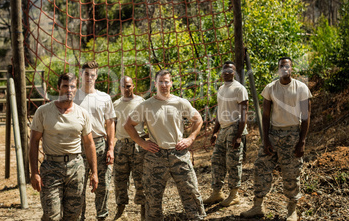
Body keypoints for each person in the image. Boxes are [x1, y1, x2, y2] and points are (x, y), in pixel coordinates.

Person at [124, 70, 206, 221]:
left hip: (179, 154)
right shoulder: (146, 105)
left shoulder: (180, 103)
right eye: (160, 81)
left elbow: (198, 120)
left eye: (166, 81)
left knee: (191, 193)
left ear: (171, 83)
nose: (163, 85)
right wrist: (142, 143)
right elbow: (128, 125)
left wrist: (190, 139)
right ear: (155, 84)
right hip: (156, 156)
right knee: (152, 199)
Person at [241, 57, 312, 221]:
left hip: (292, 135)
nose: (284, 68)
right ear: (278, 68)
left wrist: (301, 142)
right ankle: (258, 206)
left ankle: (291, 211)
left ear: (291, 68)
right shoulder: (270, 88)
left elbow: (306, 118)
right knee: (260, 167)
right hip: (273, 134)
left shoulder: (301, 88)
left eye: (287, 66)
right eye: (281, 66)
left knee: (291, 173)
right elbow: (265, 116)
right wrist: (265, 140)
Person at [29, 72, 98, 221]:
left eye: (72, 86)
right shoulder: (43, 111)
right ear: (58, 88)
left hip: (76, 168)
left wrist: (94, 172)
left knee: (73, 215)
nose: (69, 90)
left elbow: (89, 143)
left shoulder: (82, 114)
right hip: (51, 167)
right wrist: (34, 172)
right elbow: (34, 141)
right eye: (65, 86)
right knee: (51, 215)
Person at [74, 61, 116, 221]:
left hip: (99, 144)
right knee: (78, 187)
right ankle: (80, 217)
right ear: (81, 75)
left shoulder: (104, 98)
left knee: (103, 186)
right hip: (78, 146)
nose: (89, 77)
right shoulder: (73, 97)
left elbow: (110, 123)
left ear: (96, 76)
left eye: (92, 75)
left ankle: (102, 217)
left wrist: (110, 148)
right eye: (86, 74)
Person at [203, 61, 249, 207]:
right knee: (217, 161)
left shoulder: (239, 89)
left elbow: (244, 113)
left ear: (234, 72)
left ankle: (234, 195)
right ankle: (217, 193)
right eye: (224, 70)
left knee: (233, 162)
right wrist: (215, 132)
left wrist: (239, 135)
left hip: (235, 128)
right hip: (223, 129)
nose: (226, 72)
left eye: (230, 70)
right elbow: (220, 111)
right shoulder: (221, 88)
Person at [113, 76, 147, 220]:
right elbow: (112, 125)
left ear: (133, 86)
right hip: (121, 145)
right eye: (123, 86)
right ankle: (121, 210)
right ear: (119, 88)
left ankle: (144, 210)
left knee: (141, 179)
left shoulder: (141, 102)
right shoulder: (115, 104)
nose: (126, 89)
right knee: (120, 179)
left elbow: (148, 122)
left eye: (128, 86)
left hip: (138, 144)